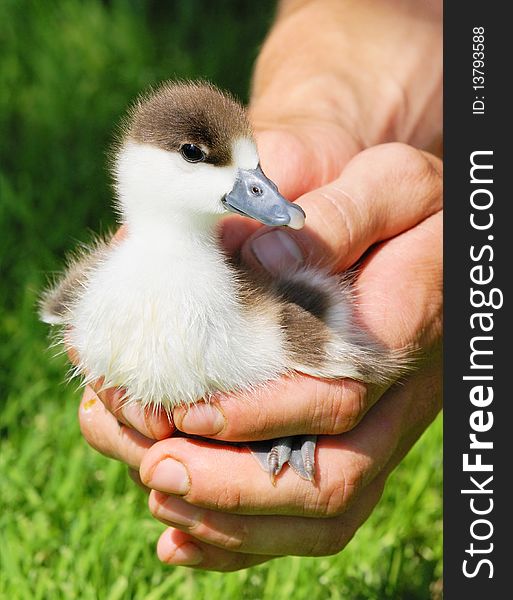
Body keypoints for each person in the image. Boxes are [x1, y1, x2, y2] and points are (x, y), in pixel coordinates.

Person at [79, 0, 442, 570]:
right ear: (135, 165)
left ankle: (281, 435)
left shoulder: (280, 309)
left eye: (254, 173)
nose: (265, 196)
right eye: (202, 158)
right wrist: (323, 117)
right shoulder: (104, 292)